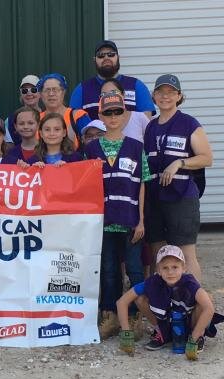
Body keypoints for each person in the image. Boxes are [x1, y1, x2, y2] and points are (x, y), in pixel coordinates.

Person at [84, 92, 152, 340]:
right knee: (109, 269)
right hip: (104, 222)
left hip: (131, 220)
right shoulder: (91, 150)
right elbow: (81, 183)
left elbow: (142, 183)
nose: (113, 117)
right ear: (101, 115)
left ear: (124, 115)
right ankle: (110, 315)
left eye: (117, 112)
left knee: (134, 269)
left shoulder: (136, 147)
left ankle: (134, 316)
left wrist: (142, 220)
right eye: (108, 112)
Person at [144, 74, 213, 281]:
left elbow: (206, 158)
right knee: (158, 252)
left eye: (171, 92)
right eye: (160, 92)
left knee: (185, 254)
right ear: (154, 96)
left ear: (179, 96)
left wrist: (180, 163)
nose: (165, 97)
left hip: (181, 198)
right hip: (155, 198)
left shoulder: (189, 123)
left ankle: (195, 305)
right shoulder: (150, 127)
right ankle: (161, 305)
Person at [116, 245, 219, 360]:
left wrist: (194, 337)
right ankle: (161, 333)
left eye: (175, 267)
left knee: (206, 300)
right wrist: (126, 333)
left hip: (189, 322)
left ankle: (196, 337)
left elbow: (209, 308)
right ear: (158, 270)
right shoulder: (153, 282)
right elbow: (122, 302)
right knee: (139, 298)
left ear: (184, 268)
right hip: (166, 321)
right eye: (165, 268)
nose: (170, 272)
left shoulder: (190, 283)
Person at [70, 40, 156, 120]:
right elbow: (74, 122)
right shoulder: (82, 89)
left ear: (118, 57)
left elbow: (146, 122)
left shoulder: (136, 86)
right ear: (94, 60)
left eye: (111, 54)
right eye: (101, 55)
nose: (106, 58)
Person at [38, 73, 91, 149]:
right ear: (41, 94)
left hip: (74, 160)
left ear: (63, 92)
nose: (51, 94)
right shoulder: (36, 119)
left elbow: (93, 143)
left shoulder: (77, 116)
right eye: (47, 90)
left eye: (55, 90)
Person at [100, 78, 150, 142]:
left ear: (123, 94)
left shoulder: (139, 117)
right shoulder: (100, 122)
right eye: (104, 94)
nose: (109, 96)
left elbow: (152, 141)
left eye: (113, 92)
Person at [5, 75, 43, 145]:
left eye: (33, 90)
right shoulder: (10, 120)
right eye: (24, 91)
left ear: (40, 93)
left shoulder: (47, 116)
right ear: (21, 95)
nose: (29, 93)